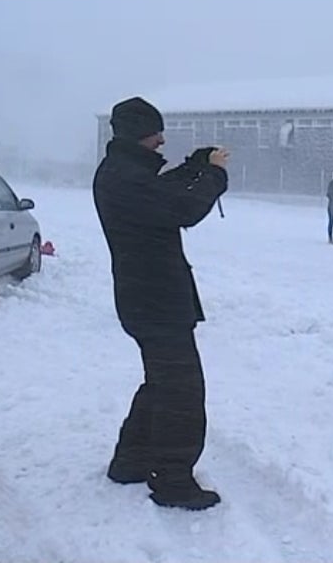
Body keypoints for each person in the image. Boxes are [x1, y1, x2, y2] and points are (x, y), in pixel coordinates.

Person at [93, 96, 230, 510]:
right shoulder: (125, 178)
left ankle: (130, 461)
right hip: (155, 302)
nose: (162, 139)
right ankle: (172, 480)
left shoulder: (124, 172)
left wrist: (197, 163)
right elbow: (183, 207)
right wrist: (215, 177)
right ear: (139, 134)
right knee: (182, 394)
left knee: (162, 385)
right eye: (156, 132)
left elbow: (164, 189)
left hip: (149, 298)